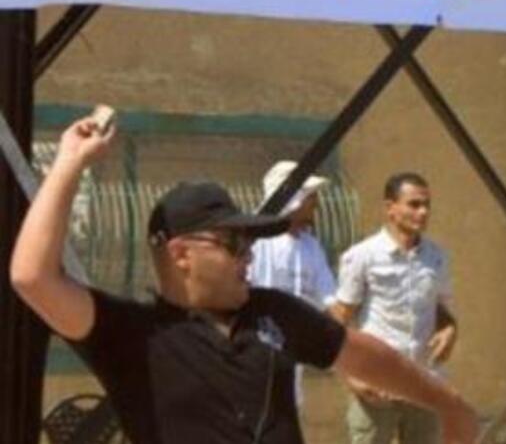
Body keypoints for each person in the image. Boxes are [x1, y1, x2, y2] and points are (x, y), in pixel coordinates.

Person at [8, 115, 478, 443]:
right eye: (234, 244)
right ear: (181, 254)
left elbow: (361, 353)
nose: (248, 256)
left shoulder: (271, 311)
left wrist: (447, 402)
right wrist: (70, 162)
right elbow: (32, 277)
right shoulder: (133, 334)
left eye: (250, 243)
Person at [331, 172, 459, 444]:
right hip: (377, 388)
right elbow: (337, 322)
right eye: (413, 204)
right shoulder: (363, 256)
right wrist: (352, 378)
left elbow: (442, 312)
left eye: (427, 205)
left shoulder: (437, 257)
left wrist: (450, 330)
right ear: (390, 208)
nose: (423, 212)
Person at [248, 160, 340, 404]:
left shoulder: (311, 247)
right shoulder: (255, 242)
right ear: (293, 199)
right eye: (311, 197)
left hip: (291, 372)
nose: (316, 204)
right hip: (251, 368)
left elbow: (332, 303)